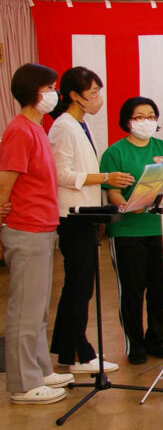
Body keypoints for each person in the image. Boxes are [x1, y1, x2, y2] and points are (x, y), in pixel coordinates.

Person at [48, 67, 134, 374]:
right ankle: (79, 353)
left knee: (80, 285)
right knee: (79, 286)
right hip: (73, 215)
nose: (98, 98)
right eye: (93, 92)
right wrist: (105, 177)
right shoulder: (63, 126)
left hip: (85, 213)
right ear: (75, 95)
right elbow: (60, 174)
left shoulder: (80, 124)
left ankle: (67, 349)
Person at [0, 63, 75, 404]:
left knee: (39, 307)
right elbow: (6, 183)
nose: (54, 94)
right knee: (25, 309)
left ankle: (40, 368)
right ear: (34, 91)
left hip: (43, 226)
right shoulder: (19, 131)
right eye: (49, 88)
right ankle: (22, 384)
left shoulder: (36, 127)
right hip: (26, 227)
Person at [99, 97, 163, 365]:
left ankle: (157, 340)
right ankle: (134, 343)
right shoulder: (115, 153)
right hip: (128, 232)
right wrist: (127, 206)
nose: (146, 122)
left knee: (161, 289)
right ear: (127, 121)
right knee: (132, 291)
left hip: (162, 227)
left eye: (151, 116)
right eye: (139, 117)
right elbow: (112, 193)